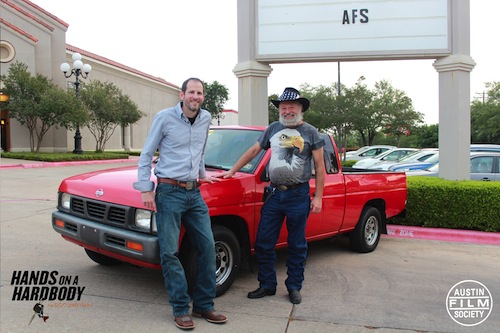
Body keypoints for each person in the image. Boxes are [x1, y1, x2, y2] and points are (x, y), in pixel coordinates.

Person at [216, 87, 325, 304]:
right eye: (283, 107)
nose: (287, 111)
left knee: (297, 245)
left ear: (300, 108)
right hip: (274, 195)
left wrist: (318, 197)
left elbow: (320, 166)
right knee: (264, 243)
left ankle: (294, 287)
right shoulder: (273, 129)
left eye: (291, 107)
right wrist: (232, 171)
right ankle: (267, 284)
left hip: (298, 195)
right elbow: (253, 151)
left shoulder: (311, 132)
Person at [133, 78, 227, 330]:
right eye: (192, 92)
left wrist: (202, 173)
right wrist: (145, 189)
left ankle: (205, 305)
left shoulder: (206, 118)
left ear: (203, 97)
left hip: (194, 193)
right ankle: (180, 308)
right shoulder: (165, 117)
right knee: (169, 252)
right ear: (182, 94)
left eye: (200, 93)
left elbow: (200, 149)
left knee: (207, 247)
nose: (195, 97)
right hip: (168, 191)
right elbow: (146, 154)